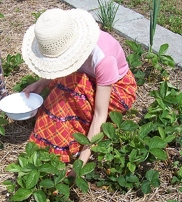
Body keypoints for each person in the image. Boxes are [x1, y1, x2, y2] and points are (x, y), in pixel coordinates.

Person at [22, 8, 137, 176]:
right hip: (87, 79)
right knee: (69, 82)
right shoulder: (67, 42)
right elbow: (61, 69)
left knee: (72, 83)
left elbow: (100, 114)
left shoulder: (104, 58)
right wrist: (39, 84)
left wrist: (82, 162)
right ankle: (55, 136)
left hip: (117, 90)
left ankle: (62, 142)